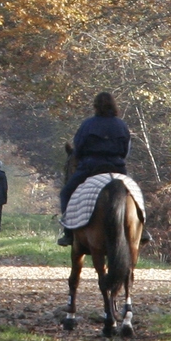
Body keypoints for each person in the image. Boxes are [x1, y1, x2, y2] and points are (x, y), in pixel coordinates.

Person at [58, 91, 130, 245]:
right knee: (135, 194)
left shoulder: (88, 124)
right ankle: (142, 230)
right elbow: (125, 150)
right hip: (117, 168)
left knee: (66, 193)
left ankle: (68, 233)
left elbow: (79, 147)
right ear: (114, 106)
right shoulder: (122, 125)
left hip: (90, 167)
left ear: (95, 106)